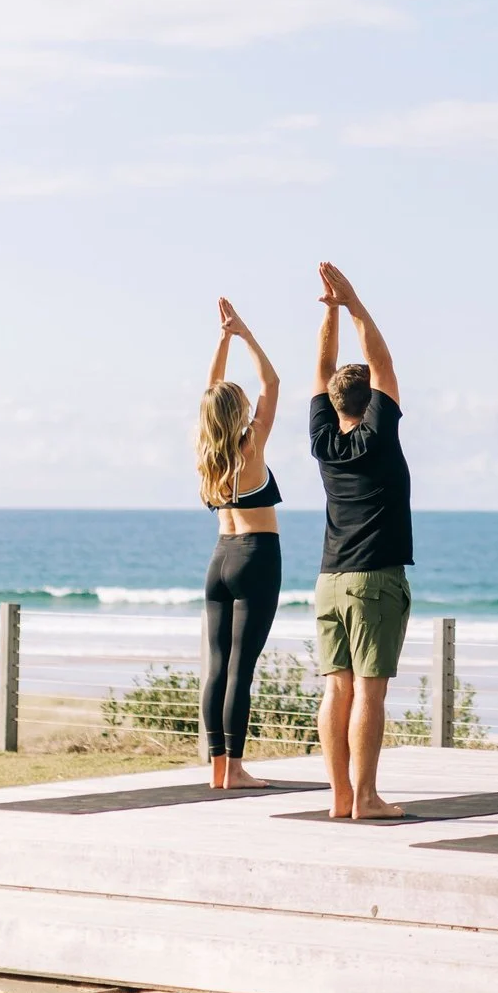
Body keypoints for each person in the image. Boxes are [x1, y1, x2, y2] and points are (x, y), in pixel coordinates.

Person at [309, 263, 411, 820]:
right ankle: (365, 798)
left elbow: (324, 370)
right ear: (371, 402)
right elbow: (384, 363)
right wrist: (355, 305)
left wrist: (330, 311)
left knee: (336, 689)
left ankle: (339, 797)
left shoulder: (324, 441)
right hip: (374, 579)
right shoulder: (379, 433)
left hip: (329, 579)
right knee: (369, 692)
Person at [198, 298, 283, 790]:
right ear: (240, 413)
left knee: (217, 667)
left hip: (219, 560)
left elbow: (210, 393)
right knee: (240, 670)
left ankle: (216, 769)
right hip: (255, 557)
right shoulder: (250, 446)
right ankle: (235, 770)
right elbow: (272, 384)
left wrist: (222, 340)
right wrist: (246, 336)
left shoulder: (208, 455)